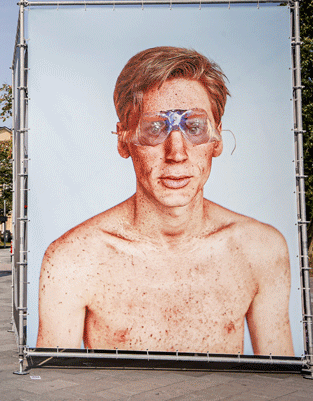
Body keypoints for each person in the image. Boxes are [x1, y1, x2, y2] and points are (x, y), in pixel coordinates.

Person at [37, 46, 294, 356]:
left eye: (195, 127)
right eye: (155, 128)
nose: (177, 152)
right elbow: (53, 384)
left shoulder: (260, 250)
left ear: (217, 139)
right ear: (124, 139)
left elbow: (280, 377)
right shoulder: (74, 260)